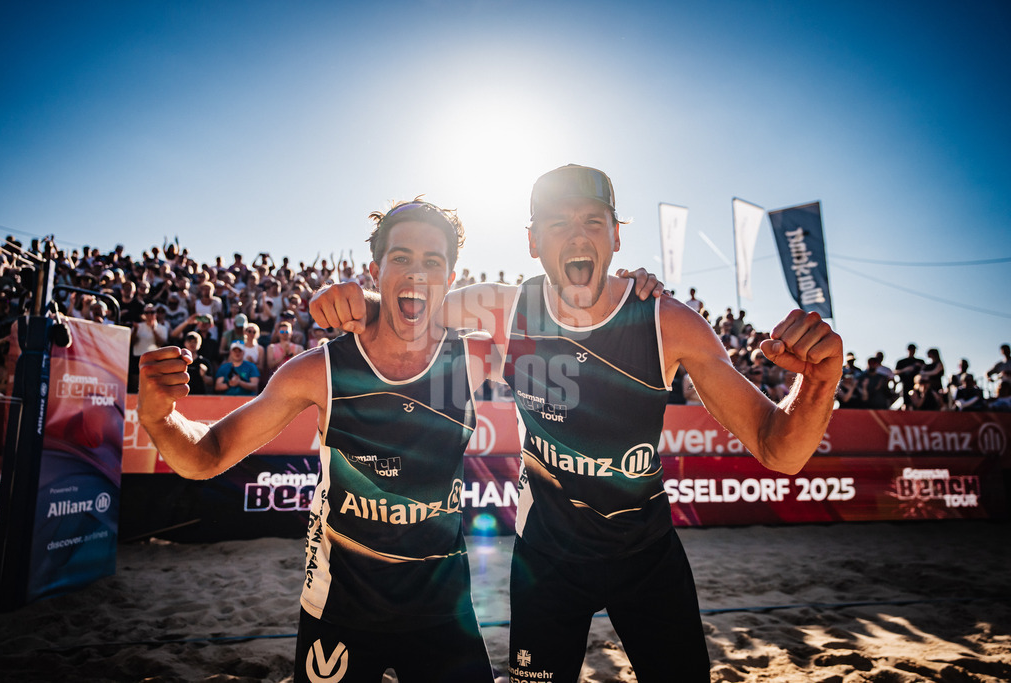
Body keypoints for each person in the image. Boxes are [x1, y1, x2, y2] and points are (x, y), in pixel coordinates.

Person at [309, 164, 843, 682]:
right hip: (547, 562)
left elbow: (782, 451)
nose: (577, 237)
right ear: (533, 241)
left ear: (616, 236)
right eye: (557, 223)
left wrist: (819, 380)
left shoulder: (667, 323)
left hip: (646, 558)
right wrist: (355, 300)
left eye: (592, 221)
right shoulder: (507, 310)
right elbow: (411, 308)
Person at [137, 199, 497, 683]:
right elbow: (208, 456)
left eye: (433, 261)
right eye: (402, 258)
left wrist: (636, 288)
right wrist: (159, 419)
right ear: (376, 269)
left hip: (443, 607)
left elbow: (572, 334)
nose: (416, 273)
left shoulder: (472, 357)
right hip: (341, 608)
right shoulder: (319, 369)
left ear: (451, 278)